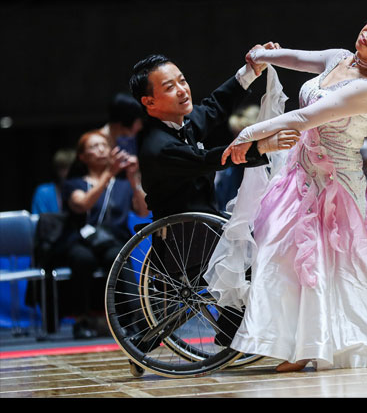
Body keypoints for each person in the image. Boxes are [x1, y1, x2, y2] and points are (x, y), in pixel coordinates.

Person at [205, 13, 367, 373]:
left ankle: (310, 346)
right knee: (278, 251)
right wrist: (265, 56)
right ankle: (297, 340)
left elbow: (301, 119)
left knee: (331, 264)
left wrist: (249, 133)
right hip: (300, 173)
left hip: (335, 187)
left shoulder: (365, 90)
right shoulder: (341, 57)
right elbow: (299, 58)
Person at [127, 51, 299, 349]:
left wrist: (250, 71)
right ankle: (235, 331)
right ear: (149, 102)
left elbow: (215, 106)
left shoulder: (183, 123)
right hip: (183, 239)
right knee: (259, 254)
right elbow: (208, 158)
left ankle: (233, 331)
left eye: (182, 81)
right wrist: (260, 146)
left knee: (267, 239)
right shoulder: (157, 146)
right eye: (170, 87)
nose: (182, 90)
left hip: (207, 228)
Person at [56, 130, 149, 338]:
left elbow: (143, 211)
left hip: (112, 241)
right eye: (93, 146)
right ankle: (81, 321)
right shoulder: (74, 183)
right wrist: (109, 173)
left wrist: (134, 178)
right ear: (82, 156)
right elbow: (81, 205)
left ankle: (133, 319)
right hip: (81, 241)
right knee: (82, 259)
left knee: (118, 256)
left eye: (103, 145)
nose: (100, 149)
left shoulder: (124, 184)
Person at [31, 148, 75, 214]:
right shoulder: (44, 192)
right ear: (57, 169)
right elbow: (40, 220)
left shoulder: (84, 190)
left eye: (71, 168)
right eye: (63, 168)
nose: (68, 173)